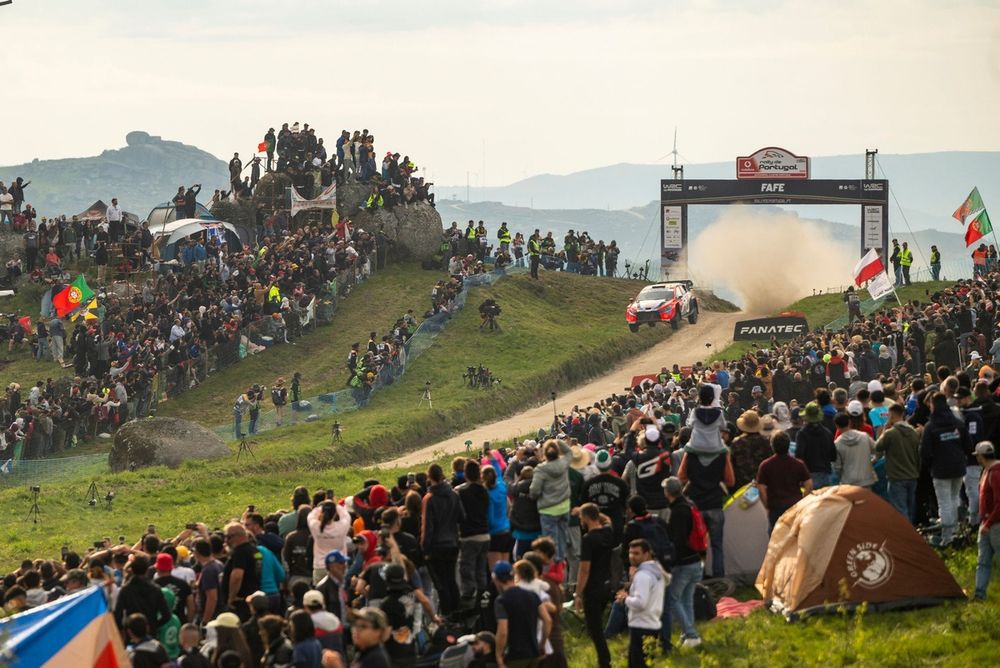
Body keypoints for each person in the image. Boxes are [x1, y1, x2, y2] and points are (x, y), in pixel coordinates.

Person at [678, 384, 734, 577]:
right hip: (715, 502)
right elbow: (730, 480)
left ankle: (699, 578)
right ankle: (719, 577)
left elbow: (681, 477)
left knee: (697, 544)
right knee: (717, 545)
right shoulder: (719, 416)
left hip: (697, 502)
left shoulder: (694, 414)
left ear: (700, 398)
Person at [922, 392, 973, 546]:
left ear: (933, 405)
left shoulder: (930, 426)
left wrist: (930, 464)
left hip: (940, 469)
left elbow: (925, 452)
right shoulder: (957, 423)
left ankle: (947, 537)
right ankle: (956, 529)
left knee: (944, 503)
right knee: (954, 498)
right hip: (958, 467)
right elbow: (969, 445)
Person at [662, 477, 703, 649]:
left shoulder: (678, 511)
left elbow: (678, 540)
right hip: (696, 560)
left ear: (667, 492)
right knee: (686, 599)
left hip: (684, 563)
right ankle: (688, 634)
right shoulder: (690, 504)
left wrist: (670, 561)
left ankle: (692, 635)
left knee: (672, 599)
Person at [573, 503, 615, 668]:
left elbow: (584, 570)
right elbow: (608, 519)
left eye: (581, 518)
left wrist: (578, 594)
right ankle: (605, 659)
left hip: (593, 588)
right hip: (607, 584)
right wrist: (589, 511)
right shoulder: (608, 531)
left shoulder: (588, 539)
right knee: (597, 626)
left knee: (594, 629)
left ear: (586, 518)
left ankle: (605, 662)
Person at [421, 463, 464, 616]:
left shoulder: (429, 498)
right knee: (452, 580)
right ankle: (458, 612)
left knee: (441, 584)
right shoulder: (454, 494)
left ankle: (447, 614)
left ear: (429, 477)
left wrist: (425, 548)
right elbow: (461, 517)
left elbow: (428, 526)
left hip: (436, 546)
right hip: (453, 541)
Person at [617, 538, 666, 668]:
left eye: (636, 553)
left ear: (646, 554)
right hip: (653, 624)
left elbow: (640, 603)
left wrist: (625, 599)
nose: (632, 556)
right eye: (630, 553)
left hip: (640, 626)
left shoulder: (643, 575)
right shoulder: (656, 570)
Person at [493, 560, 551, 668]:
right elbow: (547, 620)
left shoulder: (501, 601)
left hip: (515, 655)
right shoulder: (532, 595)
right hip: (533, 653)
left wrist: (498, 655)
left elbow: (503, 631)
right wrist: (542, 644)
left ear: (496, 579)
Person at [756, 431, 813, 534]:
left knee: (775, 537)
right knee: (794, 536)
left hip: (775, 506)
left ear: (772, 446)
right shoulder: (798, 464)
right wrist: (804, 501)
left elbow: (761, 488)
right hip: (795, 505)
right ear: (788, 445)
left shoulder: (765, 465)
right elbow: (808, 484)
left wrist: (767, 506)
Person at [875, 403, 922, 522]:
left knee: (900, 509)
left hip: (896, 476)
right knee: (911, 508)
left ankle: (905, 535)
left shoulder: (890, 433)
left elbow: (878, 447)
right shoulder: (913, 433)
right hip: (912, 474)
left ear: (891, 416)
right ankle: (913, 533)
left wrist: (884, 430)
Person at [529, 439, 572, 563]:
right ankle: (562, 570)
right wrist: (556, 441)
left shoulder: (540, 469)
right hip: (564, 507)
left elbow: (534, 491)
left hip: (548, 510)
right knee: (562, 541)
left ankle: (554, 571)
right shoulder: (564, 462)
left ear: (545, 454)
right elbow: (568, 451)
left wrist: (534, 496)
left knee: (550, 547)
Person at [115, 555, 171, 635]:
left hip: (132, 633)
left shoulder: (125, 590)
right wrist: (154, 625)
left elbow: (118, 615)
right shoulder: (155, 589)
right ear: (147, 569)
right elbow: (166, 615)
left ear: (132, 570)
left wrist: (124, 629)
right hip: (150, 632)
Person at [974, 441, 1000, 600]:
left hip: (995, 525)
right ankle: (979, 593)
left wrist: (988, 523)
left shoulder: (995, 474)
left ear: (981, 456)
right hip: (986, 523)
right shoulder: (986, 471)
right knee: (982, 560)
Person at [220, 523, 261, 621]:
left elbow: (237, 576)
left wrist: (231, 597)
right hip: (252, 596)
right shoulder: (255, 550)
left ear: (237, 536)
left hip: (240, 601)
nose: (226, 541)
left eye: (228, 537)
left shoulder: (240, 552)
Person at [795, 402, 837, 489]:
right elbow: (833, 456)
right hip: (826, 475)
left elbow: (799, 456)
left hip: (808, 476)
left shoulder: (802, 434)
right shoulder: (827, 433)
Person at [833, 413, 877, 489]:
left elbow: (837, 467)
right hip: (866, 479)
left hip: (848, 482)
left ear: (836, 426)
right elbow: (877, 449)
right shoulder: (864, 436)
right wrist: (873, 460)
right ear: (850, 422)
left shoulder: (837, 444)